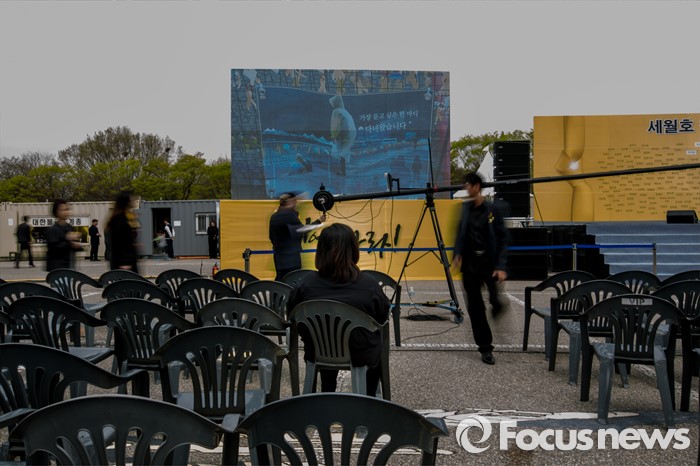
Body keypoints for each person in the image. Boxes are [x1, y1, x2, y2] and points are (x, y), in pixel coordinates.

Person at [287, 223, 390, 394]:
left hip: (318, 352)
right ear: (353, 250)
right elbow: (382, 317)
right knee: (375, 343)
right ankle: (369, 397)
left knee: (326, 335)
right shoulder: (369, 285)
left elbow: (291, 315)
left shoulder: (306, 284)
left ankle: (327, 393)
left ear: (320, 251)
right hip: (361, 354)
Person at [452, 172, 509, 366]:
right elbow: (459, 233)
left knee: (495, 300)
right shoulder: (464, 208)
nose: (465, 188)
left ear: (476, 186)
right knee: (476, 308)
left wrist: (500, 266)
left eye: (467, 184)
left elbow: (503, 239)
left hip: (488, 262)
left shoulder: (493, 209)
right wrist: (457, 253)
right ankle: (485, 348)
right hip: (470, 264)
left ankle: (497, 304)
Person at [268, 191, 326, 281]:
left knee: (281, 280)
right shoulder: (288, 215)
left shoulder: (274, 216)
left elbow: (271, 237)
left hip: (279, 256)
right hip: (290, 258)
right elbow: (302, 230)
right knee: (291, 280)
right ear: (290, 202)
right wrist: (318, 223)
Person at [106, 192, 140, 273]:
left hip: (127, 260)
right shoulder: (119, 220)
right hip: (123, 263)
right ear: (126, 202)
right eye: (131, 199)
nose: (134, 201)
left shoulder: (125, 217)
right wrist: (125, 262)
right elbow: (119, 242)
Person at [46, 199, 83, 272]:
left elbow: (72, 245)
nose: (66, 212)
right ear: (56, 212)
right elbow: (53, 248)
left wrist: (77, 246)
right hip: (57, 267)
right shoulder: (52, 229)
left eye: (67, 209)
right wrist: (67, 239)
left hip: (69, 265)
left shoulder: (70, 227)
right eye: (63, 210)